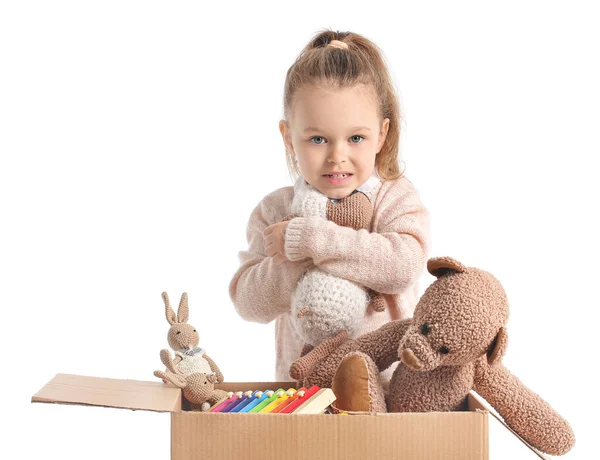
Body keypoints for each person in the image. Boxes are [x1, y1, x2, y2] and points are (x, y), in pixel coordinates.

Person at [229, 30, 430, 381]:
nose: (338, 156)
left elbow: (403, 265)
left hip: (386, 394)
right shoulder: (276, 210)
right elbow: (248, 302)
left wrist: (313, 240)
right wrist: (293, 255)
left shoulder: (394, 197)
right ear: (289, 137)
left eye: (356, 138)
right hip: (304, 394)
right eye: (317, 139)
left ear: (381, 135)